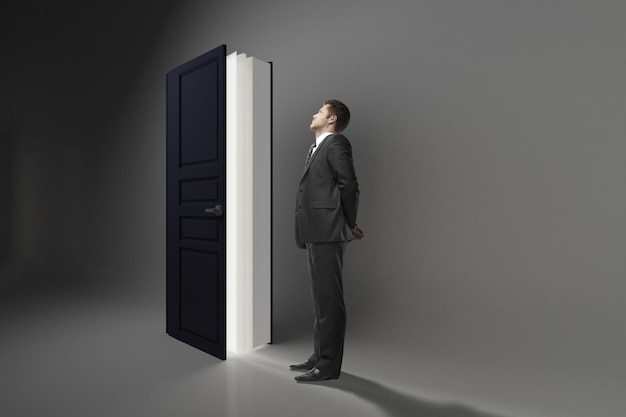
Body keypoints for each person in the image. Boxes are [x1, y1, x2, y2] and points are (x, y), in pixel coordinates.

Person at [291, 99, 364, 382]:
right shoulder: (317, 147)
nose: (314, 114)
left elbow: (349, 185)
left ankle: (328, 365)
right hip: (315, 230)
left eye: (320, 111)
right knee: (321, 300)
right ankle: (319, 355)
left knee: (329, 300)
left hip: (328, 230)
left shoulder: (336, 144)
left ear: (331, 119)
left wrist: (349, 223)